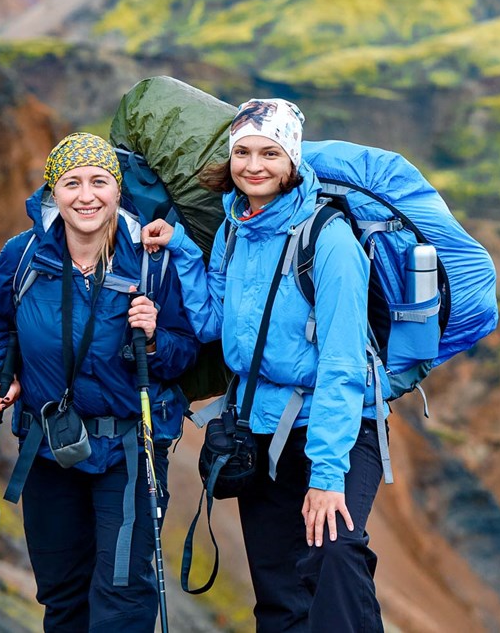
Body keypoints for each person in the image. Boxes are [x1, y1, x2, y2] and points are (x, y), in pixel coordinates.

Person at [143, 99, 388, 631]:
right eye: (243, 152)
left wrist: (327, 476)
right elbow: (213, 324)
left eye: (270, 153)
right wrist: (183, 248)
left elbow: (342, 366)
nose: (254, 165)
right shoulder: (235, 229)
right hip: (257, 427)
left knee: (334, 556)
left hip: (333, 427)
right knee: (277, 590)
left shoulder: (330, 243)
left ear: (293, 160)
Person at [0, 132, 198, 632]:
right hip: (49, 447)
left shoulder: (150, 261)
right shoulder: (24, 256)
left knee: (122, 597)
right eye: (72, 183)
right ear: (53, 192)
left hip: (129, 450)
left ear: (117, 191)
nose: (86, 195)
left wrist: (157, 335)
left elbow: (186, 352)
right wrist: (9, 377)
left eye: (99, 181)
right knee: (62, 592)